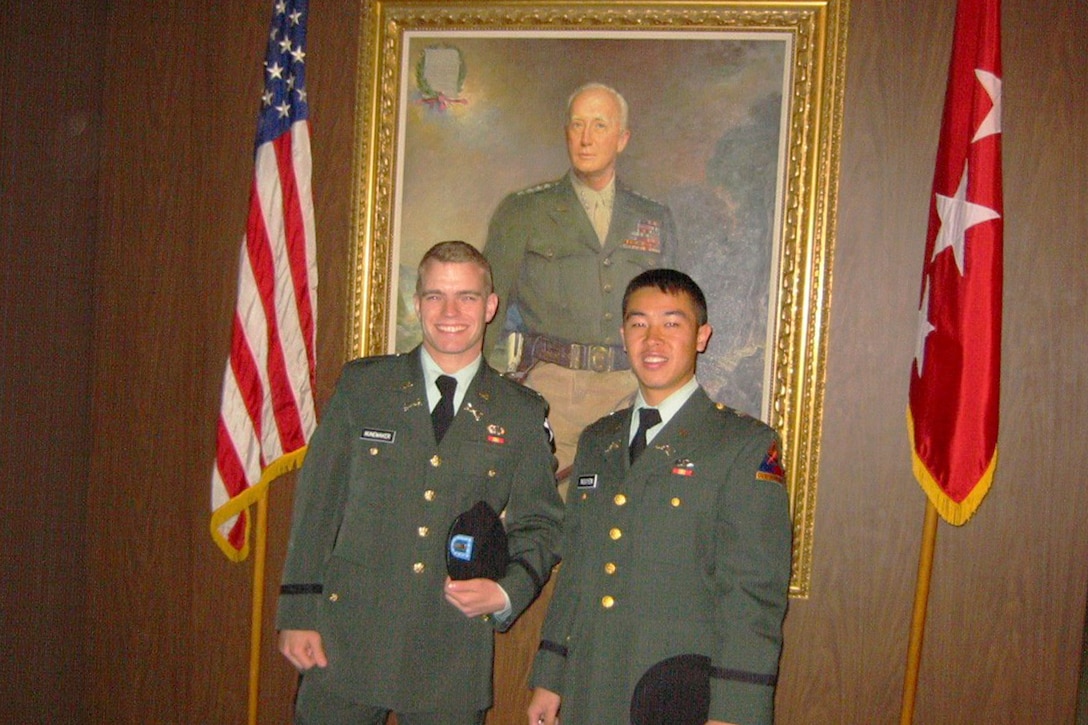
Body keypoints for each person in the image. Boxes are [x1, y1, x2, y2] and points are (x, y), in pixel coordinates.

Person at [276, 241, 563, 724]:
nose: (450, 311)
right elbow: (318, 506)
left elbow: (543, 525)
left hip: (449, 649)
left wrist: (507, 591)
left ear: (490, 306)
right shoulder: (364, 388)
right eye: (435, 296)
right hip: (345, 638)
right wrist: (298, 611)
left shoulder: (520, 411)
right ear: (417, 304)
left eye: (467, 297)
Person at [527, 269, 792, 725]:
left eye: (672, 323)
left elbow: (752, 592)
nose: (653, 340)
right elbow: (580, 566)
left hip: (677, 691)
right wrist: (550, 674)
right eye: (638, 323)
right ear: (623, 335)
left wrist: (735, 710)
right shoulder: (598, 439)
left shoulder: (742, 444)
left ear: (701, 336)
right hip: (591, 683)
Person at [483, 82, 677, 473]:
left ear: (622, 139)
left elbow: (674, 317)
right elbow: (489, 306)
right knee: (539, 515)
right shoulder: (524, 211)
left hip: (630, 389)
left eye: (600, 126)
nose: (586, 138)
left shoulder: (652, 217)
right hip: (552, 390)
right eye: (577, 125)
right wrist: (480, 394)